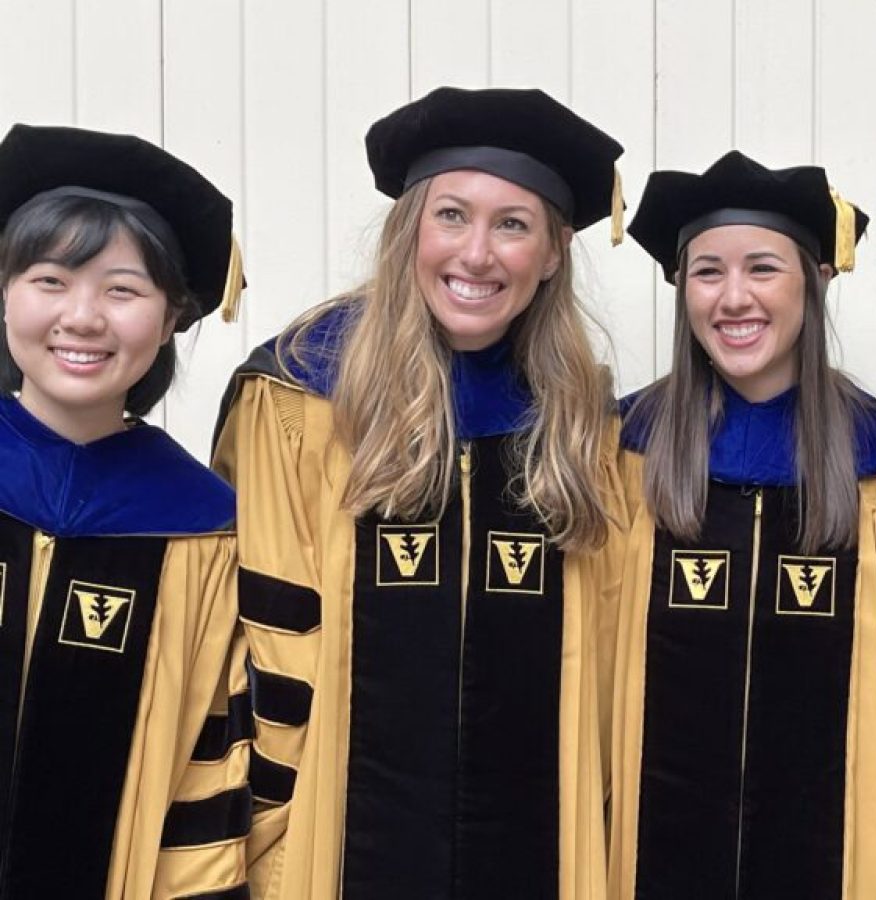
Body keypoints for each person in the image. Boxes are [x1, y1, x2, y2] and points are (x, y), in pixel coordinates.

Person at [213, 86, 627, 899]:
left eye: (513, 224)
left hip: (539, 838)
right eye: (451, 215)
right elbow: (269, 639)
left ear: (551, 254)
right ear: (408, 232)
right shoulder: (301, 395)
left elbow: (605, 660)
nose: (476, 254)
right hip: (335, 835)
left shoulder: (580, 420)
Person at [611, 151, 876, 899]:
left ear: (816, 280)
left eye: (763, 269)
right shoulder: (618, 449)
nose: (732, 297)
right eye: (707, 271)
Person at [0, 124, 249, 898]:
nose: (83, 317)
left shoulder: (204, 531)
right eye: (49, 280)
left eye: (122, 289)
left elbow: (209, 777)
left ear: (171, 316)